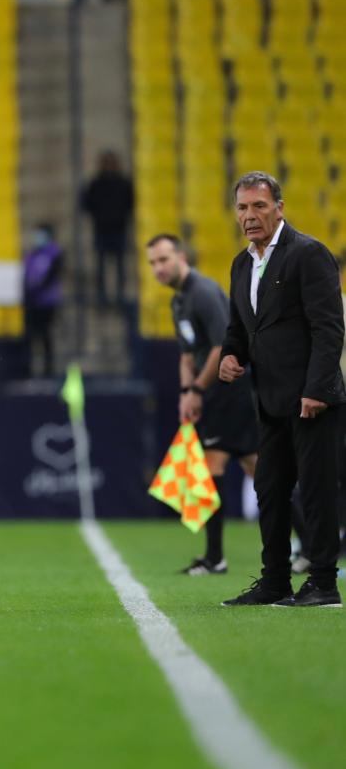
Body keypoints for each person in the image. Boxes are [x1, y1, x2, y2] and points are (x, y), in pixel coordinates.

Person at [219, 172, 345, 607]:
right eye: (242, 208)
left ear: (280, 208)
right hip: (269, 401)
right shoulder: (240, 264)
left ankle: (324, 583)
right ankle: (275, 581)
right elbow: (239, 329)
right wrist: (230, 356)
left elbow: (329, 329)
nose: (249, 216)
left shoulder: (308, 254)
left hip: (312, 401)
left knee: (316, 490)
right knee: (269, 492)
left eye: (259, 206)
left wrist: (318, 389)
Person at [146, 234, 259, 575]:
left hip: (229, 390)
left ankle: (215, 557)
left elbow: (219, 348)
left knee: (219, 468)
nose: (158, 268)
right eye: (152, 263)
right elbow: (186, 355)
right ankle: (308, 548)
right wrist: (186, 393)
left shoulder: (203, 292)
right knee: (257, 469)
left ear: (181, 256)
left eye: (163, 259)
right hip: (210, 393)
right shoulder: (179, 301)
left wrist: (196, 389)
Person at [81, 150, 134, 307]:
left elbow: (130, 204)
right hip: (101, 230)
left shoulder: (124, 183)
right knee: (101, 266)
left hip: (119, 230)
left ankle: (120, 296)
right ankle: (102, 297)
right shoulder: (95, 183)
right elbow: (86, 204)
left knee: (120, 266)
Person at [22, 222, 64, 377]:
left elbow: (53, 274)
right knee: (31, 337)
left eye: (40, 234)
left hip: (47, 302)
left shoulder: (54, 253)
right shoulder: (31, 255)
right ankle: (29, 370)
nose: (37, 238)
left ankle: (48, 370)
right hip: (32, 302)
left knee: (46, 336)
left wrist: (37, 289)